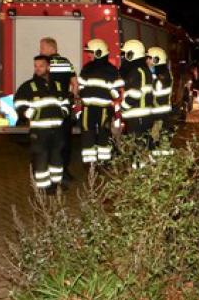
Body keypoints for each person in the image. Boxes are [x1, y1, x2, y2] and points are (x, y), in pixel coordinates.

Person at [14, 55, 70, 193]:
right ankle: (43, 187)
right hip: (39, 130)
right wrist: (30, 114)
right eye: (36, 66)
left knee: (57, 158)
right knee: (41, 158)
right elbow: (19, 103)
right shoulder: (28, 86)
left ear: (48, 67)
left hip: (57, 129)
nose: (38, 69)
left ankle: (56, 184)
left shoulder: (57, 85)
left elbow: (66, 102)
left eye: (41, 66)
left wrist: (63, 112)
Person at [78, 39, 122, 164]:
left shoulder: (87, 68)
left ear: (98, 52)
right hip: (104, 108)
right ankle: (103, 163)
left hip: (88, 108)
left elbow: (81, 88)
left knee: (88, 133)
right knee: (103, 134)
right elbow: (116, 91)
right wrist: (109, 96)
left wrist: (85, 94)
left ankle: (90, 164)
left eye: (90, 52)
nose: (88, 55)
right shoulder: (112, 69)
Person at [39, 37, 78, 179]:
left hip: (48, 108)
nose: (40, 50)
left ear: (51, 48)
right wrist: (72, 99)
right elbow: (75, 83)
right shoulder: (66, 62)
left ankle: (51, 171)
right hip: (63, 107)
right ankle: (64, 171)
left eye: (42, 48)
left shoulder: (44, 64)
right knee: (65, 140)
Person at [119, 39, 155, 151]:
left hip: (138, 115)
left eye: (126, 54)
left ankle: (138, 167)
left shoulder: (136, 71)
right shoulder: (143, 70)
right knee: (141, 145)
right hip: (143, 114)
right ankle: (140, 166)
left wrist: (123, 106)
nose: (124, 57)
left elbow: (135, 94)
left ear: (132, 54)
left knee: (137, 146)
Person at [147, 46, 174, 141]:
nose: (147, 61)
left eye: (149, 58)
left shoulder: (160, 77)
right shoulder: (164, 73)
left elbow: (152, 93)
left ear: (156, 60)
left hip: (158, 112)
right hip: (162, 111)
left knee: (155, 139)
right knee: (162, 137)